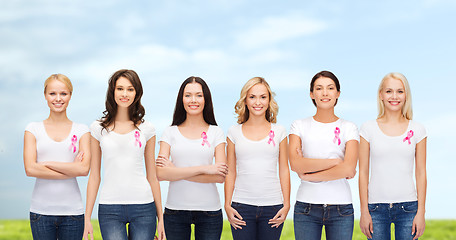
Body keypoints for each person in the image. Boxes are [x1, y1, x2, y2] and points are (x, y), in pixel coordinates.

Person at [83, 69, 165, 240]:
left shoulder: (147, 129)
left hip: (144, 207)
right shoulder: (97, 128)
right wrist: (87, 217)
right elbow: (94, 176)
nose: (124, 94)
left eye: (130, 89)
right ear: (112, 91)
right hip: (109, 208)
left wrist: (161, 218)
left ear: (137, 93)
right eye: (120, 88)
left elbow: (152, 176)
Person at [289, 70, 359, 240]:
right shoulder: (298, 126)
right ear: (312, 94)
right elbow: (296, 165)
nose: (325, 93)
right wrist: (335, 162)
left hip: (341, 208)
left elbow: (349, 168)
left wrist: (309, 175)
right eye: (319, 88)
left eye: (330, 88)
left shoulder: (349, 127)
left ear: (338, 93)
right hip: (306, 207)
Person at [155, 76, 227, 240]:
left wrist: (176, 171)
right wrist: (205, 169)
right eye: (188, 95)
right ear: (181, 99)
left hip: (210, 212)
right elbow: (160, 174)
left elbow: (220, 176)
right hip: (175, 211)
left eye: (198, 95)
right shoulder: (170, 132)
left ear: (205, 99)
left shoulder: (216, 132)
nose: (193, 100)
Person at [359, 72, 427, 240]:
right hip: (375, 209)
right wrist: (364, 212)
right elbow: (363, 173)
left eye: (400, 91)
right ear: (381, 95)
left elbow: (421, 173)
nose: (394, 96)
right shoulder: (368, 129)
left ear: (406, 96)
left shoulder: (418, 130)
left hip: (409, 209)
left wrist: (421, 212)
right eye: (389, 91)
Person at [23, 73, 91, 240]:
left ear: (70, 95)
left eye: (63, 93)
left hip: (73, 213)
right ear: (45, 95)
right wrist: (71, 169)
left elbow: (83, 170)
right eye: (52, 93)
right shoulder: (32, 129)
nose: (58, 98)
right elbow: (30, 169)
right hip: (41, 212)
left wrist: (46, 164)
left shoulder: (82, 130)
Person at [224, 77, 290, 240]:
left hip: (273, 207)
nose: (257, 102)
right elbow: (230, 171)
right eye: (252, 97)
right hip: (241, 207)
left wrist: (287, 204)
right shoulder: (234, 132)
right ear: (245, 100)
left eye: (263, 97)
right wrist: (227, 204)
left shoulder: (280, 131)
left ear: (269, 100)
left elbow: (284, 169)